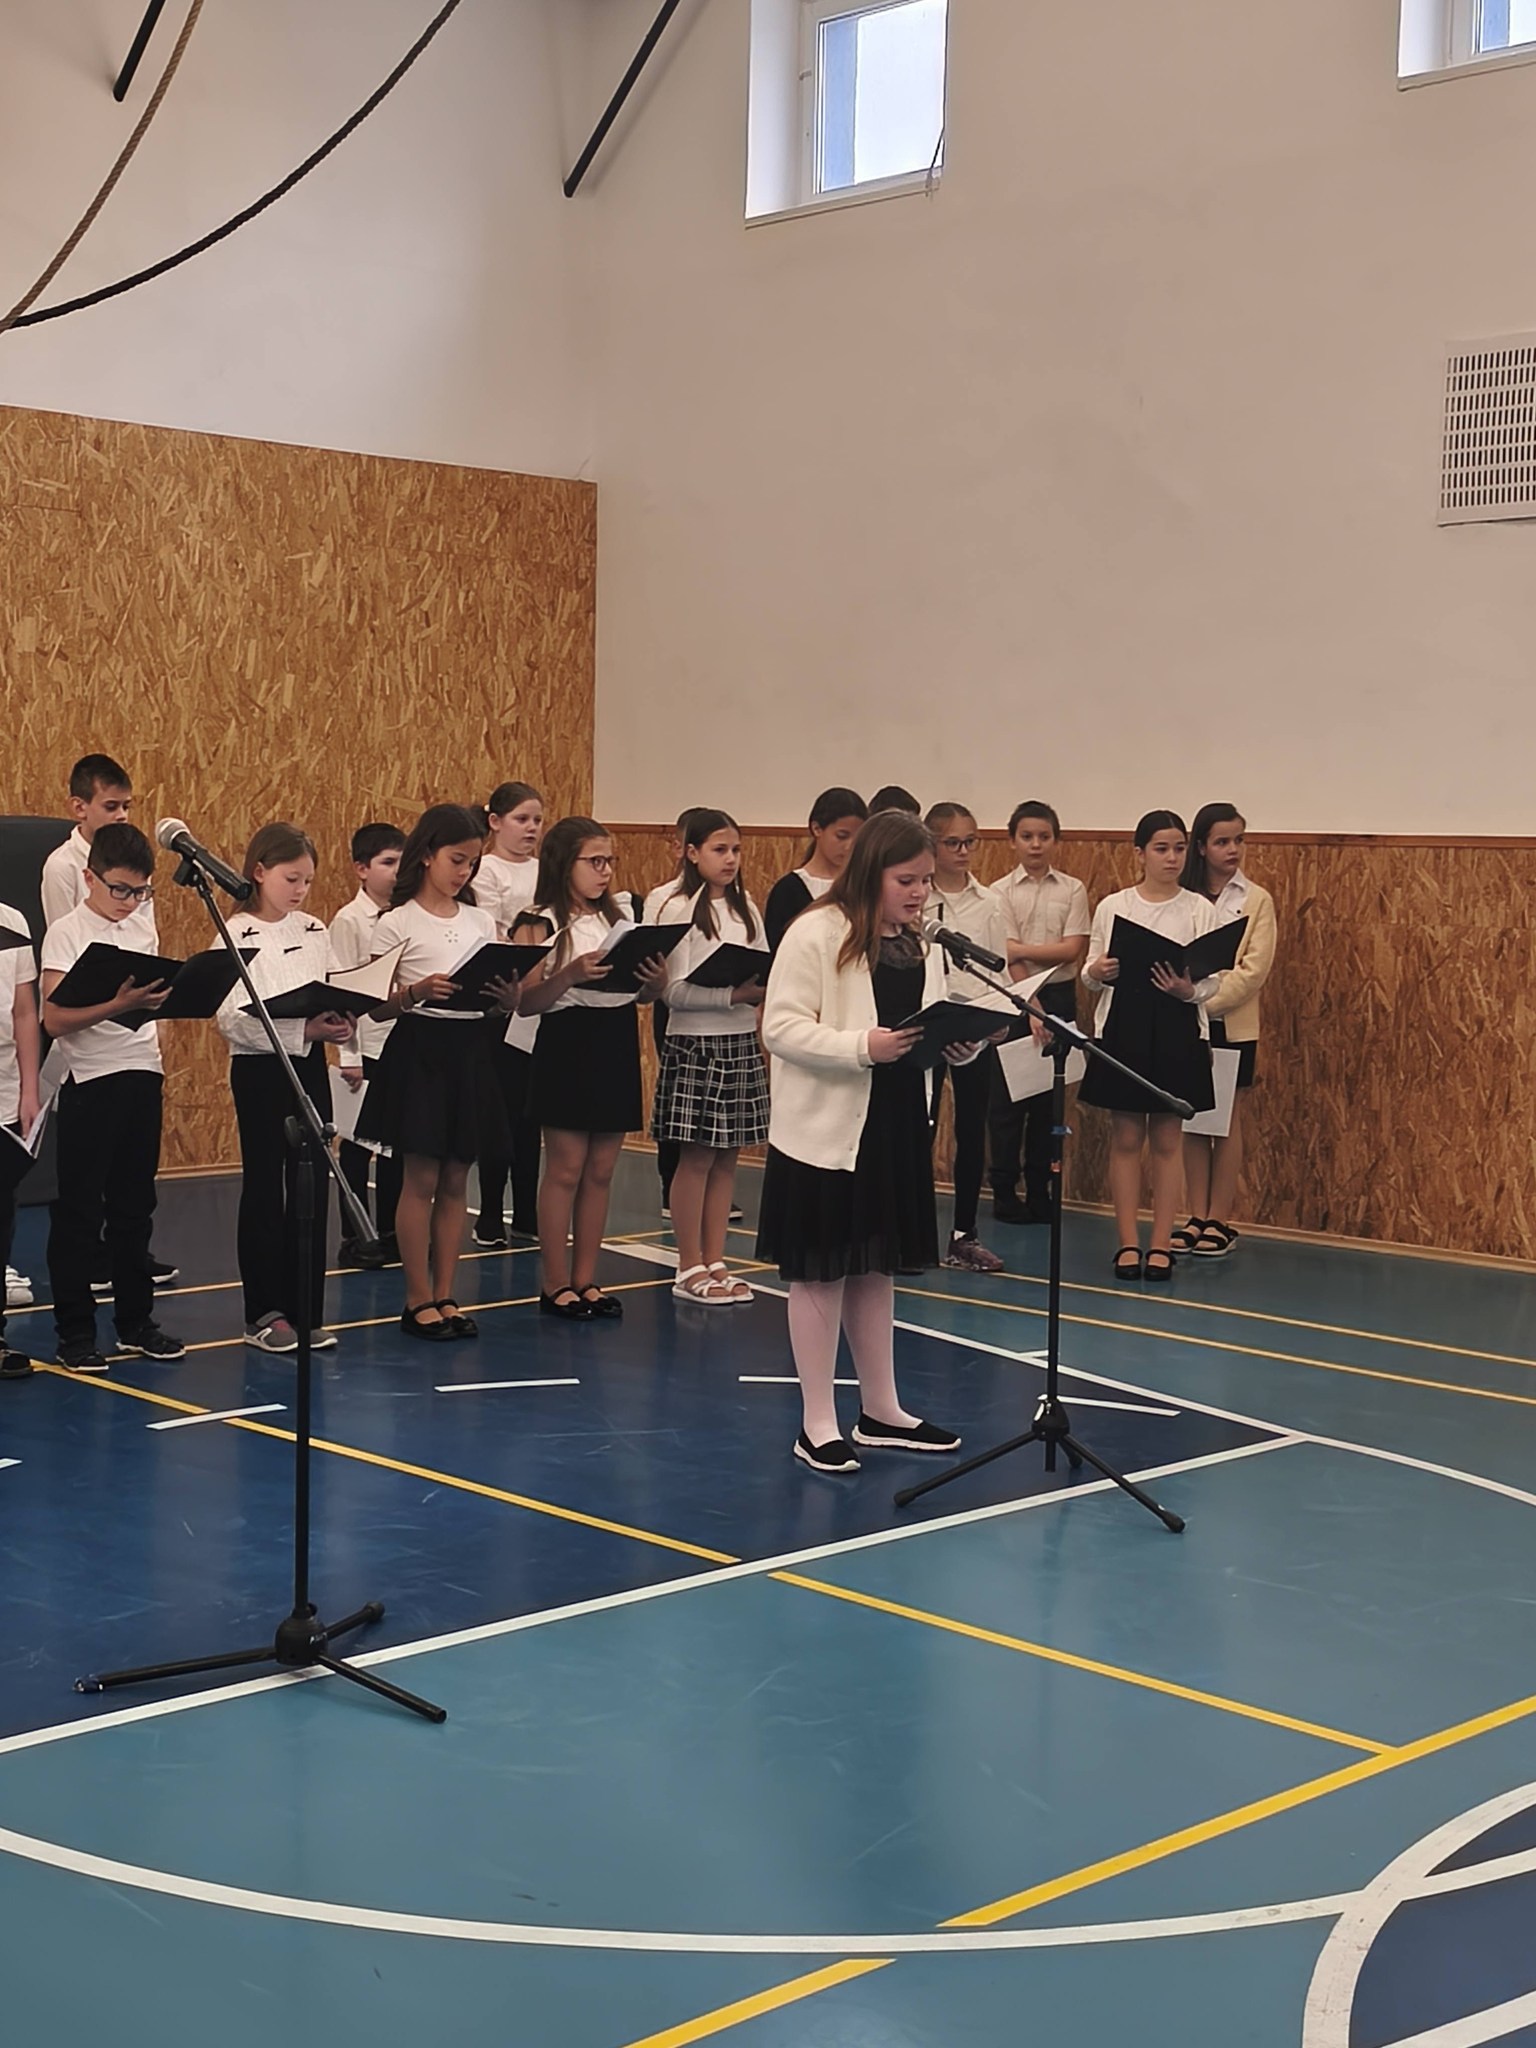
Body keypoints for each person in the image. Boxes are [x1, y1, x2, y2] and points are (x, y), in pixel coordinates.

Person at [757, 811, 973, 1474]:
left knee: (876, 1266)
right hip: (827, 1131)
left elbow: (925, 1022)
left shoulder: (921, 943)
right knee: (822, 1271)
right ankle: (817, 1422)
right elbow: (780, 1028)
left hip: (896, 1119)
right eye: (906, 880)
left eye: (926, 881)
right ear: (871, 872)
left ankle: (882, 1409)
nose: (919, 893)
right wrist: (861, 1046)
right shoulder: (817, 931)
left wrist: (957, 1045)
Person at [357, 805, 519, 1342]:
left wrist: (506, 997)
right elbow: (375, 1006)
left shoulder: (479, 920)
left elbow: (496, 999)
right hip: (421, 1047)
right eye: (456, 860)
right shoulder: (396, 921)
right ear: (427, 855)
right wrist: (416, 992)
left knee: (455, 1179)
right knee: (420, 1177)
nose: (463, 873)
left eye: (472, 864)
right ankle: (416, 1296)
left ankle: (447, 1292)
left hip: (470, 1047)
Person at [39, 824, 185, 1371]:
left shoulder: (143, 924)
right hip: (90, 1078)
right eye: (119, 889)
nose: (129, 901)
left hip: (142, 1071)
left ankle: (135, 1322)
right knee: (80, 1211)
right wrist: (117, 1005)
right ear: (89, 878)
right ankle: (75, 1332)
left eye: (140, 891)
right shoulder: (67, 932)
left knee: (135, 1207)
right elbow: (54, 1018)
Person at [515, 817, 669, 1320]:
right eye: (594, 861)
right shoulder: (539, 921)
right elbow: (526, 1002)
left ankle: (587, 1278)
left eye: (609, 861)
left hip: (613, 1037)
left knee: (602, 1169)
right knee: (565, 1168)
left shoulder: (619, 917)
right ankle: (555, 1282)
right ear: (565, 864)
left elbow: (641, 994)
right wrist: (569, 974)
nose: (605, 871)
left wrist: (656, 981)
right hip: (568, 1038)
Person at [217, 825, 353, 1354]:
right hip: (260, 1069)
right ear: (259, 872)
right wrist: (303, 1030)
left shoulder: (315, 928)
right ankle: (264, 1312)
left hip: (310, 1064)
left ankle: (305, 1308)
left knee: (311, 1184)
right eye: (291, 878)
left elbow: (335, 986)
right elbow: (231, 1019)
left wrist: (341, 1020)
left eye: (308, 881)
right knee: (265, 1185)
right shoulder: (234, 932)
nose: (300, 890)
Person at [1079, 812, 1218, 1284]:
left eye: (1179, 848)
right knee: (1125, 1138)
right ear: (1140, 854)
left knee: (1167, 1139)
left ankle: (1160, 1242)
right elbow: (1091, 973)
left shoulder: (1199, 909)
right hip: (1125, 1025)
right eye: (1161, 848)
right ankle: (1126, 1241)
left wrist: (1187, 990)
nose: (1171, 858)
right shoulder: (1114, 906)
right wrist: (1098, 971)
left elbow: (1212, 981)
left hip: (1176, 1026)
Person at [650, 810, 769, 1305]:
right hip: (695, 1041)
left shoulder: (747, 907)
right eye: (720, 850)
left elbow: (764, 970)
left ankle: (716, 1258)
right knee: (697, 1156)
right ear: (691, 852)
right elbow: (670, 991)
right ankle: (688, 1263)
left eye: (736, 850)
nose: (730, 859)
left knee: (726, 1158)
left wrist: (756, 995)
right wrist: (731, 996)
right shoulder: (670, 903)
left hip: (739, 1041)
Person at [1175, 803, 1277, 1260]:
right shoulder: (1183, 897)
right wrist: (1185, 1002)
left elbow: (1252, 971)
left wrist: (1201, 1000)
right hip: (1186, 1024)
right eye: (1222, 841)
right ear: (1201, 847)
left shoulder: (1256, 900)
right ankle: (1195, 1215)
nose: (1232, 849)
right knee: (1193, 1120)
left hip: (1230, 1024)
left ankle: (1220, 1217)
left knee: (1227, 1121)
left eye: (1238, 840)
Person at [989, 801, 1092, 1224]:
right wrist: (1032, 1008)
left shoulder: (1072, 889)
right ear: (1013, 840)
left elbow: (1072, 950)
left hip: (1060, 997)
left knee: (1047, 1103)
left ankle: (1039, 1188)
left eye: (1044, 836)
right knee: (1007, 1104)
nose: (1036, 844)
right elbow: (1005, 956)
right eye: (1027, 836)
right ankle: (1003, 1191)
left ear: (1056, 841)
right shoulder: (999, 892)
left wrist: (1024, 950)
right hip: (1014, 997)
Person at [924, 802, 1010, 1272]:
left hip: (973, 1030)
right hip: (927, 1025)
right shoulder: (919, 896)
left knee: (972, 1130)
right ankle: (913, 1230)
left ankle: (964, 1234)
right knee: (921, 1127)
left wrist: (996, 1023)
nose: (963, 851)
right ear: (932, 844)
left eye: (970, 842)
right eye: (952, 842)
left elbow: (997, 969)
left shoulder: (990, 902)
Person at [471, 783, 546, 1249]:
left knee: (529, 1114)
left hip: (537, 1000)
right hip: (499, 1004)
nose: (531, 828)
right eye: (521, 819)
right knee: (499, 1113)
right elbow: (494, 933)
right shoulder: (486, 872)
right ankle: (490, 1212)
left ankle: (527, 1211)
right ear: (495, 822)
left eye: (537, 820)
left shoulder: (545, 871)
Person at [329, 822, 406, 1269]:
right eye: (387, 862)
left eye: (402, 862)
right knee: (358, 1145)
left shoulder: (404, 916)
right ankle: (355, 1235)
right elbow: (342, 990)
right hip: (366, 1044)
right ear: (362, 868)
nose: (397, 871)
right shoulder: (349, 920)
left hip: (400, 1043)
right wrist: (349, 1055)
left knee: (396, 1145)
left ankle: (394, 1231)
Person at [643, 809, 703, 1220]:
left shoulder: (737, 902)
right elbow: (652, 951)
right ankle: (671, 1181)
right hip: (673, 1004)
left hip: (720, 1010)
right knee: (677, 1095)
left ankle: (703, 1184)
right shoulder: (663, 898)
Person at [0, 900, 41, 1380]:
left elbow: (24, 1011)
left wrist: (29, 1089)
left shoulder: (12, 921)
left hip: (5, 1090)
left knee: (1, 1213)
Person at [763, 788, 868, 952]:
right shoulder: (787, 890)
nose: (849, 846)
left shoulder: (863, 886)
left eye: (857, 839)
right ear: (817, 828)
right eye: (842, 836)